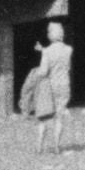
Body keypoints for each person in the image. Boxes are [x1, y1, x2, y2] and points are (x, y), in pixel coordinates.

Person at [20, 20, 73, 156]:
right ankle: (56, 146)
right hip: (64, 86)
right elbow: (62, 61)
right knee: (59, 117)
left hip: (50, 87)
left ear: (51, 34)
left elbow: (43, 72)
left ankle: (39, 147)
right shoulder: (69, 50)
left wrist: (34, 73)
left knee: (43, 118)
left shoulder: (48, 52)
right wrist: (42, 50)